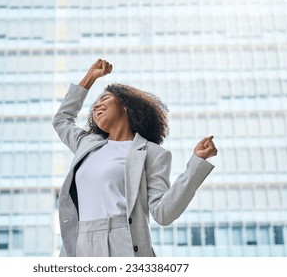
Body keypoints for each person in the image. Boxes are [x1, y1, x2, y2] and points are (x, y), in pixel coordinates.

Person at [53, 59, 217, 257]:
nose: (97, 106)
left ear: (126, 105)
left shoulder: (152, 153)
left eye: (104, 99)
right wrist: (89, 78)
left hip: (122, 241)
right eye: (95, 105)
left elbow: (163, 213)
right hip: (79, 243)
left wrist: (196, 165)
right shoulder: (87, 144)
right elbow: (62, 120)